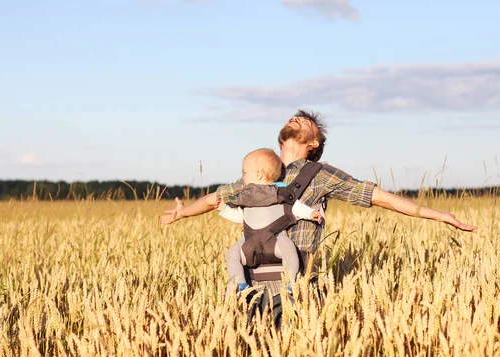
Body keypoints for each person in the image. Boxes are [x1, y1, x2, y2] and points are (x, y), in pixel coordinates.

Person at [161, 110, 477, 272]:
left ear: (313, 144)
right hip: (255, 270)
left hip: (298, 274)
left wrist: (441, 216)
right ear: (280, 140)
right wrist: (182, 212)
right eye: (297, 116)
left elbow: (380, 198)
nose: (300, 116)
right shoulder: (259, 170)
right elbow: (216, 198)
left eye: (309, 122)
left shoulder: (322, 175)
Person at [217, 148, 322, 296]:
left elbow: (294, 207)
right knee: (232, 254)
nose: (243, 177)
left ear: (259, 174)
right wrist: (224, 210)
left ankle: (291, 281)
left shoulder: (280, 193)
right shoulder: (247, 197)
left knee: (290, 251)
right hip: (249, 242)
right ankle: (240, 283)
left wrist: (310, 213)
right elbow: (241, 217)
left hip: (275, 240)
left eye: (244, 173)